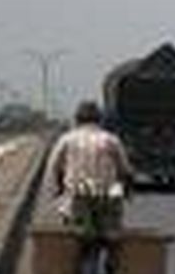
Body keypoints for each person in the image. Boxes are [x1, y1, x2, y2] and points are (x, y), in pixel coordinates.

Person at [52, 100, 133, 233]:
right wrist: (127, 189)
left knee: (71, 225)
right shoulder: (111, 139)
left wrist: (59, 188)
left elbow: (54, 167)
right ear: (100, 120)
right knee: (113, 231)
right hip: (109, 194)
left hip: (76, 194)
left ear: (77, 120)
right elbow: (126, 170)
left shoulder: (67, 139)